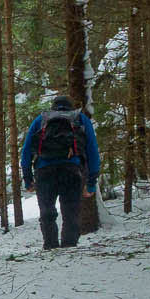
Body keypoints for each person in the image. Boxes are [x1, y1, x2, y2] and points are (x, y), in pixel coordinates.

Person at [20, 94, 100, 249]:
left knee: (47, 212)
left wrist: (28, 179)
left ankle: (50, 246)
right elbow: (92, 151)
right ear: (70, 106)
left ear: (53, 106)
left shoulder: (40, 120)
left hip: (44, 171)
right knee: (71, 212)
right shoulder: (80, 119)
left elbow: (26, 152)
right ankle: (69, 247)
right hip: (71, 170)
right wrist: (91, 182)